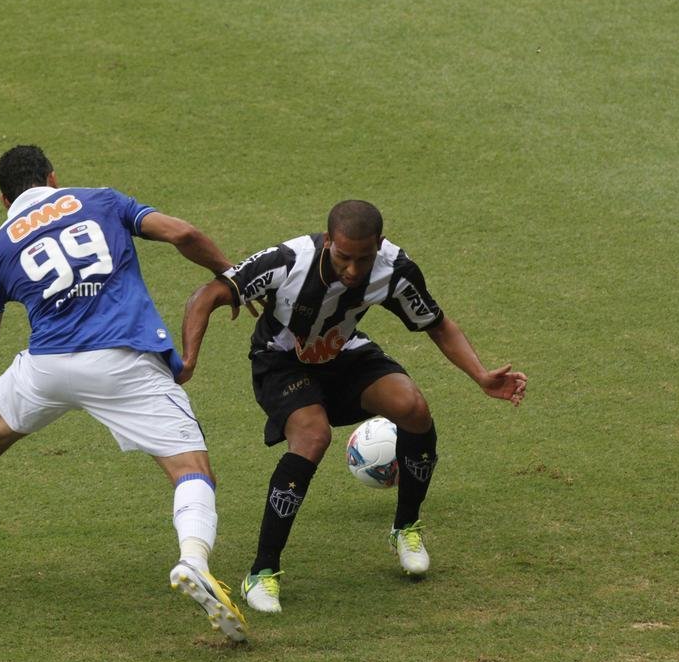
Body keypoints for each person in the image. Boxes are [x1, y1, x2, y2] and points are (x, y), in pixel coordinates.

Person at [0, 145, 248, 643]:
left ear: (4, 198)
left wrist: (2, 407)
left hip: (47, 367)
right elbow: (182, 233)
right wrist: (229, 273)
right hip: (124, 359)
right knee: (191, 469)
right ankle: (194, 562)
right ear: (54, 178)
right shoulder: (102, 200)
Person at [178, 199, 526, 614]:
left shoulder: (393, 268)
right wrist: (189, 359)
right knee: (313, 436)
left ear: (378, 244)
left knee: (413, 407)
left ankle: (405, 528)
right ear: (328, 242)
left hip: (343, 354)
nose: (354, 270)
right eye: (344, 257)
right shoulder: (288, 262)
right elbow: (207, 295)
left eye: (364, 258)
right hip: (281, 362)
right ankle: (262, 572)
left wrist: (482, 375)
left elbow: (437, 323)